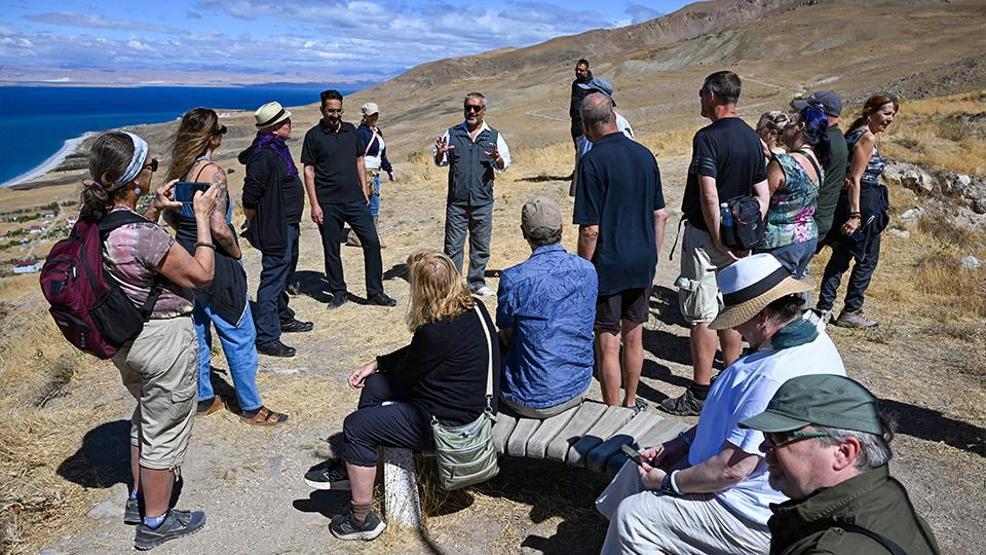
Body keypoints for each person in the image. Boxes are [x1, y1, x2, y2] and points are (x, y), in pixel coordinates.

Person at [596, 253, 846, 555]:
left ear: (763, 314)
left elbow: (732, 470)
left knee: (635, 516)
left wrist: (669, 482)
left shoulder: (772, 375)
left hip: (751, 513)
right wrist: (684, 441)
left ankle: (630, 536)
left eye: (740, 319)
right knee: (637, 467)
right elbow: (737, 424)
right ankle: (614, 540)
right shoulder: (810, 336)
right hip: (754, 490)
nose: (736, 329)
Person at [302, 251, 500, 541]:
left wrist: (383, 372)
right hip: (469, 404)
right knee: (375, 385)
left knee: (356, 426)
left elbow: (407, 375)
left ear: (422, 288)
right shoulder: (474, 308)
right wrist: (377, 364)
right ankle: (356, 464)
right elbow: (419, 357)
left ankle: (361, 519)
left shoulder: (434, 331)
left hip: (449, 426)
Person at [81, 131, 217, 549]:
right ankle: (156, 522)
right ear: (133, 176)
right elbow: (200, 274)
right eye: (150, 165)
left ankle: (139, 500)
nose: (155, 167)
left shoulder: (97, 222)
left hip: (127, 341)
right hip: (163, 341)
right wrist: (205, 221)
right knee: (165, 429)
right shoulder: (145, 235)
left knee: (146, 417)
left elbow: (132, 261)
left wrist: (154, 211)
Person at [167, 108, 289, 425]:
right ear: (212, 138)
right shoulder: (213, 173)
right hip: (215, 259)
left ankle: (205, 398)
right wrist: (235, 253)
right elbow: (219, 225)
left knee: (198, 331)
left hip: (185, 257)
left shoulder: (181, 171)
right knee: (238, 333)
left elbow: (171, 216)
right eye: (220, 130)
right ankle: (251, 407)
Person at [661, 70, 769, 416]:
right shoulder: (753, 138)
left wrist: (719, 237)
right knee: (733, 309)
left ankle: (701, 392)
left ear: (711, 95)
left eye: (700, 93)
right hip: (739, 239)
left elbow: (709, 193)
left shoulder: (706, 138)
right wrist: (746, 232)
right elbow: (763, 192)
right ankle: (731, 383)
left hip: (708, 238)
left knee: (701, 313)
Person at [740, 374, 942, 554]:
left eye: (780, 437)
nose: (763, 448)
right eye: (766, 435)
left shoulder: (831, 548)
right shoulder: (886, 496)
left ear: (843, 452)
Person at [574, 93, 668, 409]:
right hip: (642, 261)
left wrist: (582, 271)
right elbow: (660, 215)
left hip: (608, 264)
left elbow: (590, 230)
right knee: (634, 336)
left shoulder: (592, 161)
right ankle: (630, 400)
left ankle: (612, 410)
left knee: (607, 341)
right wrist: (651, 258)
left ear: (587, 125)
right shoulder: (645, 156)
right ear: (614, 116)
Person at [496, 195, 596, 417]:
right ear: (561, 228)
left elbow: (505, 326)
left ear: (524, 232)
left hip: (527, 398)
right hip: (578, 385)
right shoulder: (587, 270)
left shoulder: (514, 278)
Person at [302, 90, 396, 309]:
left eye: (338, 110)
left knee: (371, 242)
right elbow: (308, 171)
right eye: (330, 111)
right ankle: (338, 291)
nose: (335, 115)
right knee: (331, 248)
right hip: (328, 202)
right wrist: (314, 204)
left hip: (355, 199)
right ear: (322, 110)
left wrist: (364, 190)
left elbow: (359, 160)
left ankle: (375, 292)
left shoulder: (351, 131)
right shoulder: (313, 136)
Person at [817, 94, 898, 328]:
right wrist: (855, 215)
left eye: (893, 114)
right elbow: (855, 178)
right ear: (870, 111)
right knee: (866, 259)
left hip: (853, 201)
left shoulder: (854, 132)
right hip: (863, 203)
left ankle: (824, 308)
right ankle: (851, 310)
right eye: (886, 113)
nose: (890, 119)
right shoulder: (867, 137)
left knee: (841, 256)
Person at [239, 101, 308, 357]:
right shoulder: (263, 155)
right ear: (276, 127)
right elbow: (249, 198)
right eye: (286, 121)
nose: (290, 124)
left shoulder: (277, 148)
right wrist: (253, 222)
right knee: (273, 278)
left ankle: (283, 316)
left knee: (285, 273)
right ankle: (267, 337)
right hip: (275, 227)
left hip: (289, 223)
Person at [434, 92, 512, 297]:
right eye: (468, 107)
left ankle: (476, 282)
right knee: (453, 246)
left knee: (480, 244)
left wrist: (498, 159)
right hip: (457, 202)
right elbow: (440, 161)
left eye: (476, 108)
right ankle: (453, 285)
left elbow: (504, 164)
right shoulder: (453, 133)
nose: (472, 111)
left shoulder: (493, 136)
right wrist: (441, 152)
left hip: (483, 201)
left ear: (483, 111)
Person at [756, 104, 829, 278]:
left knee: (772, 299)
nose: (787, 126)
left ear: (801, 127)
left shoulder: (783, 163)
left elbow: (761, 200)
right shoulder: (818, 161)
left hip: (780, 242)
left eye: (792, 122)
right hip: (807, 237)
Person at [794, 90, 849, 245]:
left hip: (809, 220)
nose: (802, 113)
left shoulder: (823, 142)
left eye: (807, 111)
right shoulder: (835, 137)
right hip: (819, 218)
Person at [570, 77, 635, 196]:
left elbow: (626, 161)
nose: (584, 96)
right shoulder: (589, 123)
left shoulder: (619, 124)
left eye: (589, 93)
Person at [346, 102, 395, 247]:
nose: (374, 117)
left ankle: (366, 235)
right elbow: (357, 155)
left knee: (373, 204)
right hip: (365, 172)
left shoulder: (377, 131)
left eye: (376, 114)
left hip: (376, 172)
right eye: (371, 115)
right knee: (369, 204)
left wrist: (389, 169)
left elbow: (382, 155)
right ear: (365, 116)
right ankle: (365, 236)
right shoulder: (361, 132)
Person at [569, 58, 593, 151]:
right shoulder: (575, 84)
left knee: (587, 148)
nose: (578, 72)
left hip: (586, 122)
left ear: (587, 71)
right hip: (575, 122)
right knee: (578, 148)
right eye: (577, 70)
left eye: (581, 70)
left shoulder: (592, 84)